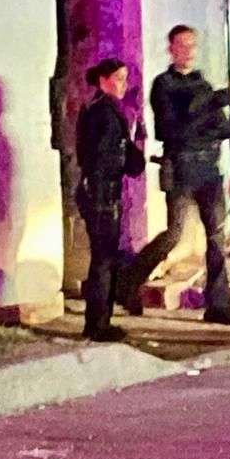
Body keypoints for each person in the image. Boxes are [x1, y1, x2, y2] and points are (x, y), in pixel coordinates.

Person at [115, 25, 230, 326]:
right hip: (182, 168)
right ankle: (128, 281)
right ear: (171, 48)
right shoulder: (164, 85)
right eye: (181, 45)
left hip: (209, 168)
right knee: (174, 234)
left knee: (216, 237)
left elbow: (225, 129)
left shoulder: (202, 84)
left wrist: (203, 117)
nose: (187, 51)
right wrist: (204, 113)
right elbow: (171, 130)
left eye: (192, 45)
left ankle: (218, 304)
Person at [74, 59, 145, 342]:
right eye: (118, 78)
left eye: (125, 78)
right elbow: (104, 158)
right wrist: (130, 149)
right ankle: (98, 324)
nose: (123, 85)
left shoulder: (99, 109)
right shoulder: (104, 113)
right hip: (103, 196)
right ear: (103, 81)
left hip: (99, 193)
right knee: (104, 261)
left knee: (103, 259)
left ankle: (98, 321)